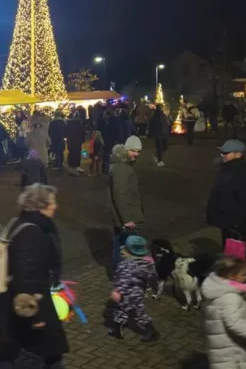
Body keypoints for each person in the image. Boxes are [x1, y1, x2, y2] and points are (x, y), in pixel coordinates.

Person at [0, 184, 67, 368]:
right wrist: (34, 314)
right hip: (27, 301)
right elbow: (26, 275)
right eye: (52, 202)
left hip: (18, 299)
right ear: (41, 205)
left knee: (13, 344)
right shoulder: (32, 232)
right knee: (40, 346)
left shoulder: (26, 222)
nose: (56, 206)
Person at [207, 140, 246, 284]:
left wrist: (236, 223)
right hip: (229, 222)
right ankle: (235, 279)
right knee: (231, 255)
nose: (222, 155)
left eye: (226, 153)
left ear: (238, 154)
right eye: (222, 152)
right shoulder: (229, 168)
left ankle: (242, 282)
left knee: (236, 256)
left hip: (236, 224)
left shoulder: (243, 174)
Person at [202, 257, 246, 368]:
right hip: (233, 355)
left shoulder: (216, 289)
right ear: (232, 276)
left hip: (222, 351)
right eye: (244, 274)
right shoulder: (230, 298)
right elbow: (235, 324)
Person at [108, 235, 159, 341]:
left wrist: (118, 291)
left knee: (139, 312)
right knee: (122, 309)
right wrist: (153, 288)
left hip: (127, 293)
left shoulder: (126, 265)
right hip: (139, 291)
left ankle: (151, 331)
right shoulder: (147, 263)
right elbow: (152, 277)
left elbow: (123, 280)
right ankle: (117, 330)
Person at [109, 136, 144, 270]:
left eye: (138, 151)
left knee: (122, 244)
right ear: (126, 149)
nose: (136, 154)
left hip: (124, 215)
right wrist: (127, 219)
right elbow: (120, 195)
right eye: (133, 150)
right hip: (126, 217)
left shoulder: (123, 165)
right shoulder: (121, 168)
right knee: (125, 246)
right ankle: (122, 274)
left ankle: (121, 274)